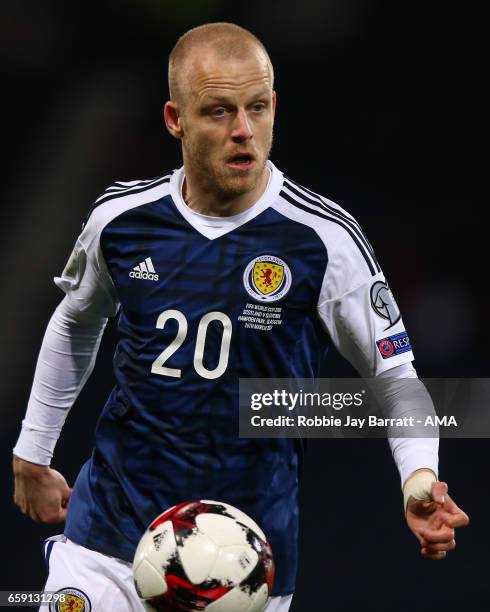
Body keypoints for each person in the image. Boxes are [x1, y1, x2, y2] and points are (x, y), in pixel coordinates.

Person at [12, 22, 468, 612]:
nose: (243, 131)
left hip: (245, 563)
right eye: (219, 112)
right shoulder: (122, 220)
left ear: (275, 105)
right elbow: (76, 323)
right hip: (108, 537)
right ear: (176, 120)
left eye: (257, 108)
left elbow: (395, 379)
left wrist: (418, 479)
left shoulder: (322, 241)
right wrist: (32, 453)